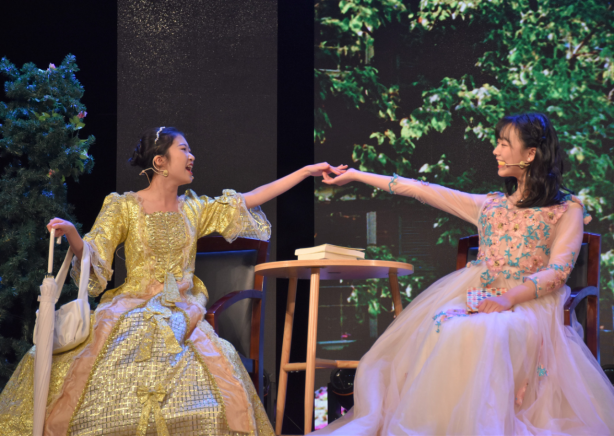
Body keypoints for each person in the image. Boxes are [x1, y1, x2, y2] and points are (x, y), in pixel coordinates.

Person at [0, 126, 346, 436]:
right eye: (184, 149)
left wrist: (305, 171)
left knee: (217, 368)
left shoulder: (194, 208)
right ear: (160, 161)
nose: (192, 156)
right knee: (91, 373)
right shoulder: (124, 206)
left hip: (183, 312)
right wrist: (74, 234)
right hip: (130, 308)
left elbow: (250, 198)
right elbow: (95, 255)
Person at [314, 113, 614, 435]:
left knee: (490, 330)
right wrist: (357, 175)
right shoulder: (489, 205)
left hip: (530, 302)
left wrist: (508, 298)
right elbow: (421, 189)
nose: (496, 151)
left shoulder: (567, 209)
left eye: (504, 144)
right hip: (479, 294)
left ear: (530, 154)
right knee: (445, 323)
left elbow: (558, 271)